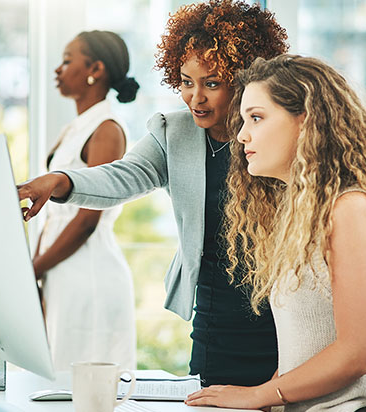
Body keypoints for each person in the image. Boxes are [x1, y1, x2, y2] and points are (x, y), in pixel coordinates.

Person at [18, 0, 288, 386]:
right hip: (213, 316)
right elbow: (122, 176)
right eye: (185, 82)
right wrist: (62, 181)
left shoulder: (272, 134)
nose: (195, 98)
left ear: (244, 79)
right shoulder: (172, 133)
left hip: (279, 317)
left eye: (211, 83)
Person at [185, 55, 366, 411]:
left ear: (307, 121)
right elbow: (309, 345)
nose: (241, 134)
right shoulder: (301, 213)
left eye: (256, 118)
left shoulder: (351, 208)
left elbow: (357, 353)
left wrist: (257, 394)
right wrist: (266, 396)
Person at [35, 30, 140, 370]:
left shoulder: (106, 128)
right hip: (62, 270)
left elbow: (87, 218)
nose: (58, 70)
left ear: (95, 68)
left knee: (80, 389)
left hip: (88, 275)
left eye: (67, 61)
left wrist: (33, 269)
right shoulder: (77, 127)